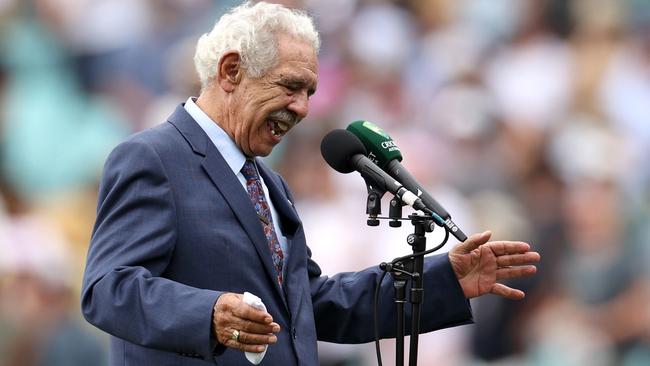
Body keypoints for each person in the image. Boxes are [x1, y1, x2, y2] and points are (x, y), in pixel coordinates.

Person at [81, 2, 540, 365]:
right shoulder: (153, 157)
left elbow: (312, 305)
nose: (302, 108)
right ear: (230, 72)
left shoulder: (268, 184)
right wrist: (208, 314)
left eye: (310, 93)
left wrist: (444, 279)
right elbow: (107, 289)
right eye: (290, 86)